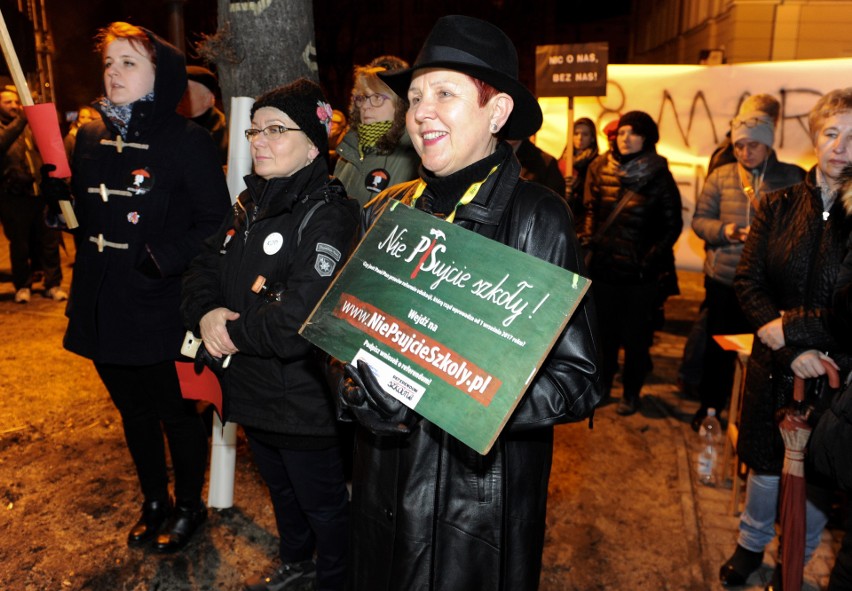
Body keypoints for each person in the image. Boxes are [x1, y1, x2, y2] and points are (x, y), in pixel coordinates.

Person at [330, 15, 601, 590]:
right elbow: (343, 339)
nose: (421, 111)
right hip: (380, 489)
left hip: (474, 511)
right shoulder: (387, 211)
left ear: (497, 113)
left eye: (444, 94)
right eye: (417, 97)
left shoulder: (537, 217)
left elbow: (578, 379)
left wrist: (461, 400)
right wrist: (357, 391)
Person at [46, 22, 231, 553]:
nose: (114, 72)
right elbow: (82, 218)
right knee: (133, 412)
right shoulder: (88, 134)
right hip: (102, 303)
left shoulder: (188, 141)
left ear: (161, 74)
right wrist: (56, 199)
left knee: (176, 412)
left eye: (129, 62)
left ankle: (189, 505)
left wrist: (161, 260)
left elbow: (216, 224)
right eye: (109, 62)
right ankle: (154, 499)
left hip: (158, 304)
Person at [181, 78, 359, 591]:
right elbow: (200, 269)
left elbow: (298, 321)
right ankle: (298, 561)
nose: (258, 139)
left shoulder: (330, 216)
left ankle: (335, 579)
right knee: (282, 492)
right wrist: (208, 313)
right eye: (255, 129)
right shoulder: (247, 204)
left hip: (303, 404)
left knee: (324, 505)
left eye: (275, 130)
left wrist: (229, 334)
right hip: (252, 393)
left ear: (312, 145)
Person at [720, 87, 852, 590]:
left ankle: (795, 557)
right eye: (831, 132)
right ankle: (750, 545)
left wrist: (796, 331)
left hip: (837, 368)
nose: (841, 146)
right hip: (776, 363)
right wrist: (791, 348)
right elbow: (748, 282)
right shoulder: (776, 205)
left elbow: (849, 308)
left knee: (816, 476)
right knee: (767, 462)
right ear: (815, 138)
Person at [690, 108, 805, 430]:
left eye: (753, 145)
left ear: (768, 143)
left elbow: (802, 227)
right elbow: (700, 220)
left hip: (769, 285)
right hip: (725, 279)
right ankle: (711, 407)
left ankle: (753, 416)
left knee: (764, 353)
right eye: (739, 145)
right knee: (719, 349)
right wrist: (725, 231)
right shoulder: (721, 176)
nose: (745, 152)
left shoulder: (792, 177)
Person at [582, 110, 683, 416]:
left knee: (636, 340)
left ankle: (631, 393)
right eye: (622, 132)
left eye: (633, 133)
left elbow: (672, 225)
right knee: (604, 338)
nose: (625, 138)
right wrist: (589, 236)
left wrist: (648, 260)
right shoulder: (602, 166)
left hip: (640, 278)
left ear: (647, 138)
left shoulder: (659, 176)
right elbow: (591, 208)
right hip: (604, 271)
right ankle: (602, 389)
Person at [0, 84, 66, 303]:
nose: (13, 106)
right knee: (20, 244)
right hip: (15, 199)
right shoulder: (7, 128)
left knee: (49, 241)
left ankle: (53, 283)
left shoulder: (28, 127)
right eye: (7, 102)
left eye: (15, 101)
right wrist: (23, 119)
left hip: (40, 195)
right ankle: (23, 285)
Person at [333, 55, 419, 206]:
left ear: (399, 105)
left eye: (377, 98)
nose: (366, 106)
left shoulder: (414, 157)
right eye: (362, 98)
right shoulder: (347, 153)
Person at [177, 65, 228, 165]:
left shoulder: (225, 133)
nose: (180, 96)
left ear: (208, 99)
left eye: (186, 91)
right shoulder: (170, 123)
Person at [560, 116, 599, 227]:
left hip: (583, 218)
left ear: (592, 138)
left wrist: (579, 185)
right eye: (576, 134)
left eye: (585, 134)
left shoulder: (597, 163)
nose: (580, 138)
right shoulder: (562, 160)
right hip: (563, 215)